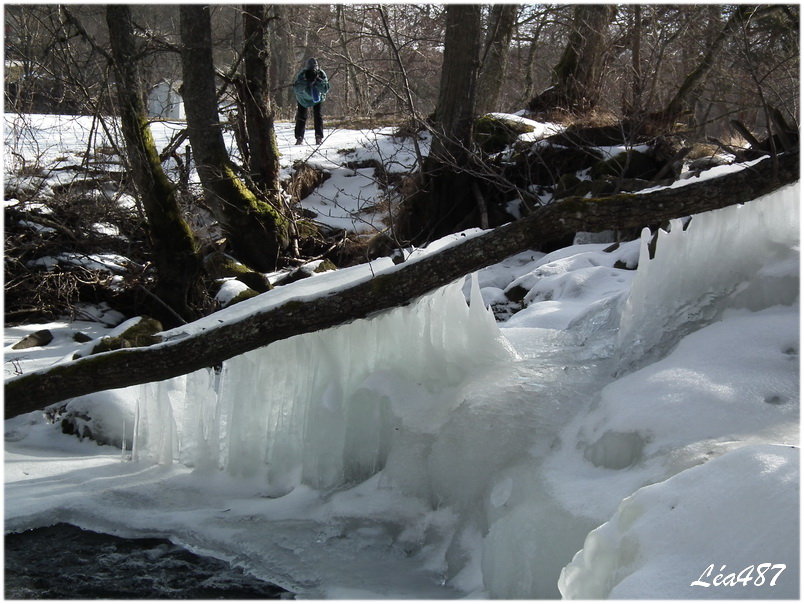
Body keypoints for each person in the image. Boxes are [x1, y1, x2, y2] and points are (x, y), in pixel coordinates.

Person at [293, 57, 330, 145]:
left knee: (318, 116)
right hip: (303, 99)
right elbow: (296, 90)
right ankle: (299, 137)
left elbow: (325, 89)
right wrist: (304, 82)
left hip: (317, 98)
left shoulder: (321, 74)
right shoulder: (301, 75)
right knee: (301, 116)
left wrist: (318, 81)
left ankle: (319, 136)